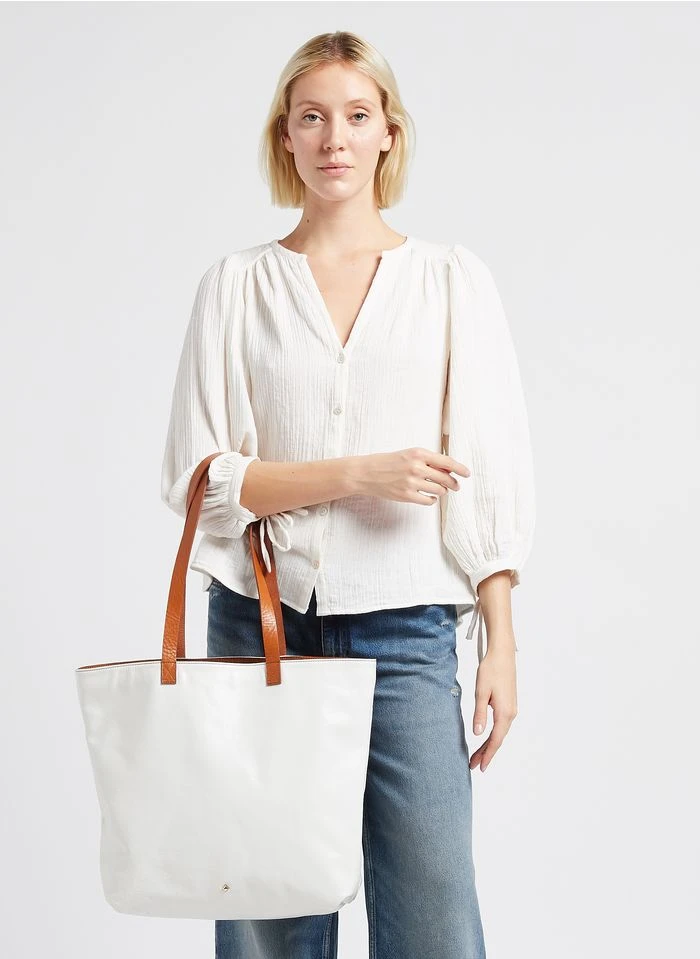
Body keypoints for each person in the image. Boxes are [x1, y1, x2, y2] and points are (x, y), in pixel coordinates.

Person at [160, 30, 536, 959]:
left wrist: (499, 640)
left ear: (388, 135)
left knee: (434, 917)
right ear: (284, 137)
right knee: (267, 916)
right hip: (259, 628)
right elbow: (201, 482)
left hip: (407, 631)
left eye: (357, 116)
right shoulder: (236, 287)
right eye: (312, 117)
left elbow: (488, 469)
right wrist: (359, 474)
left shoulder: (450, 282)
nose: (334, 138)